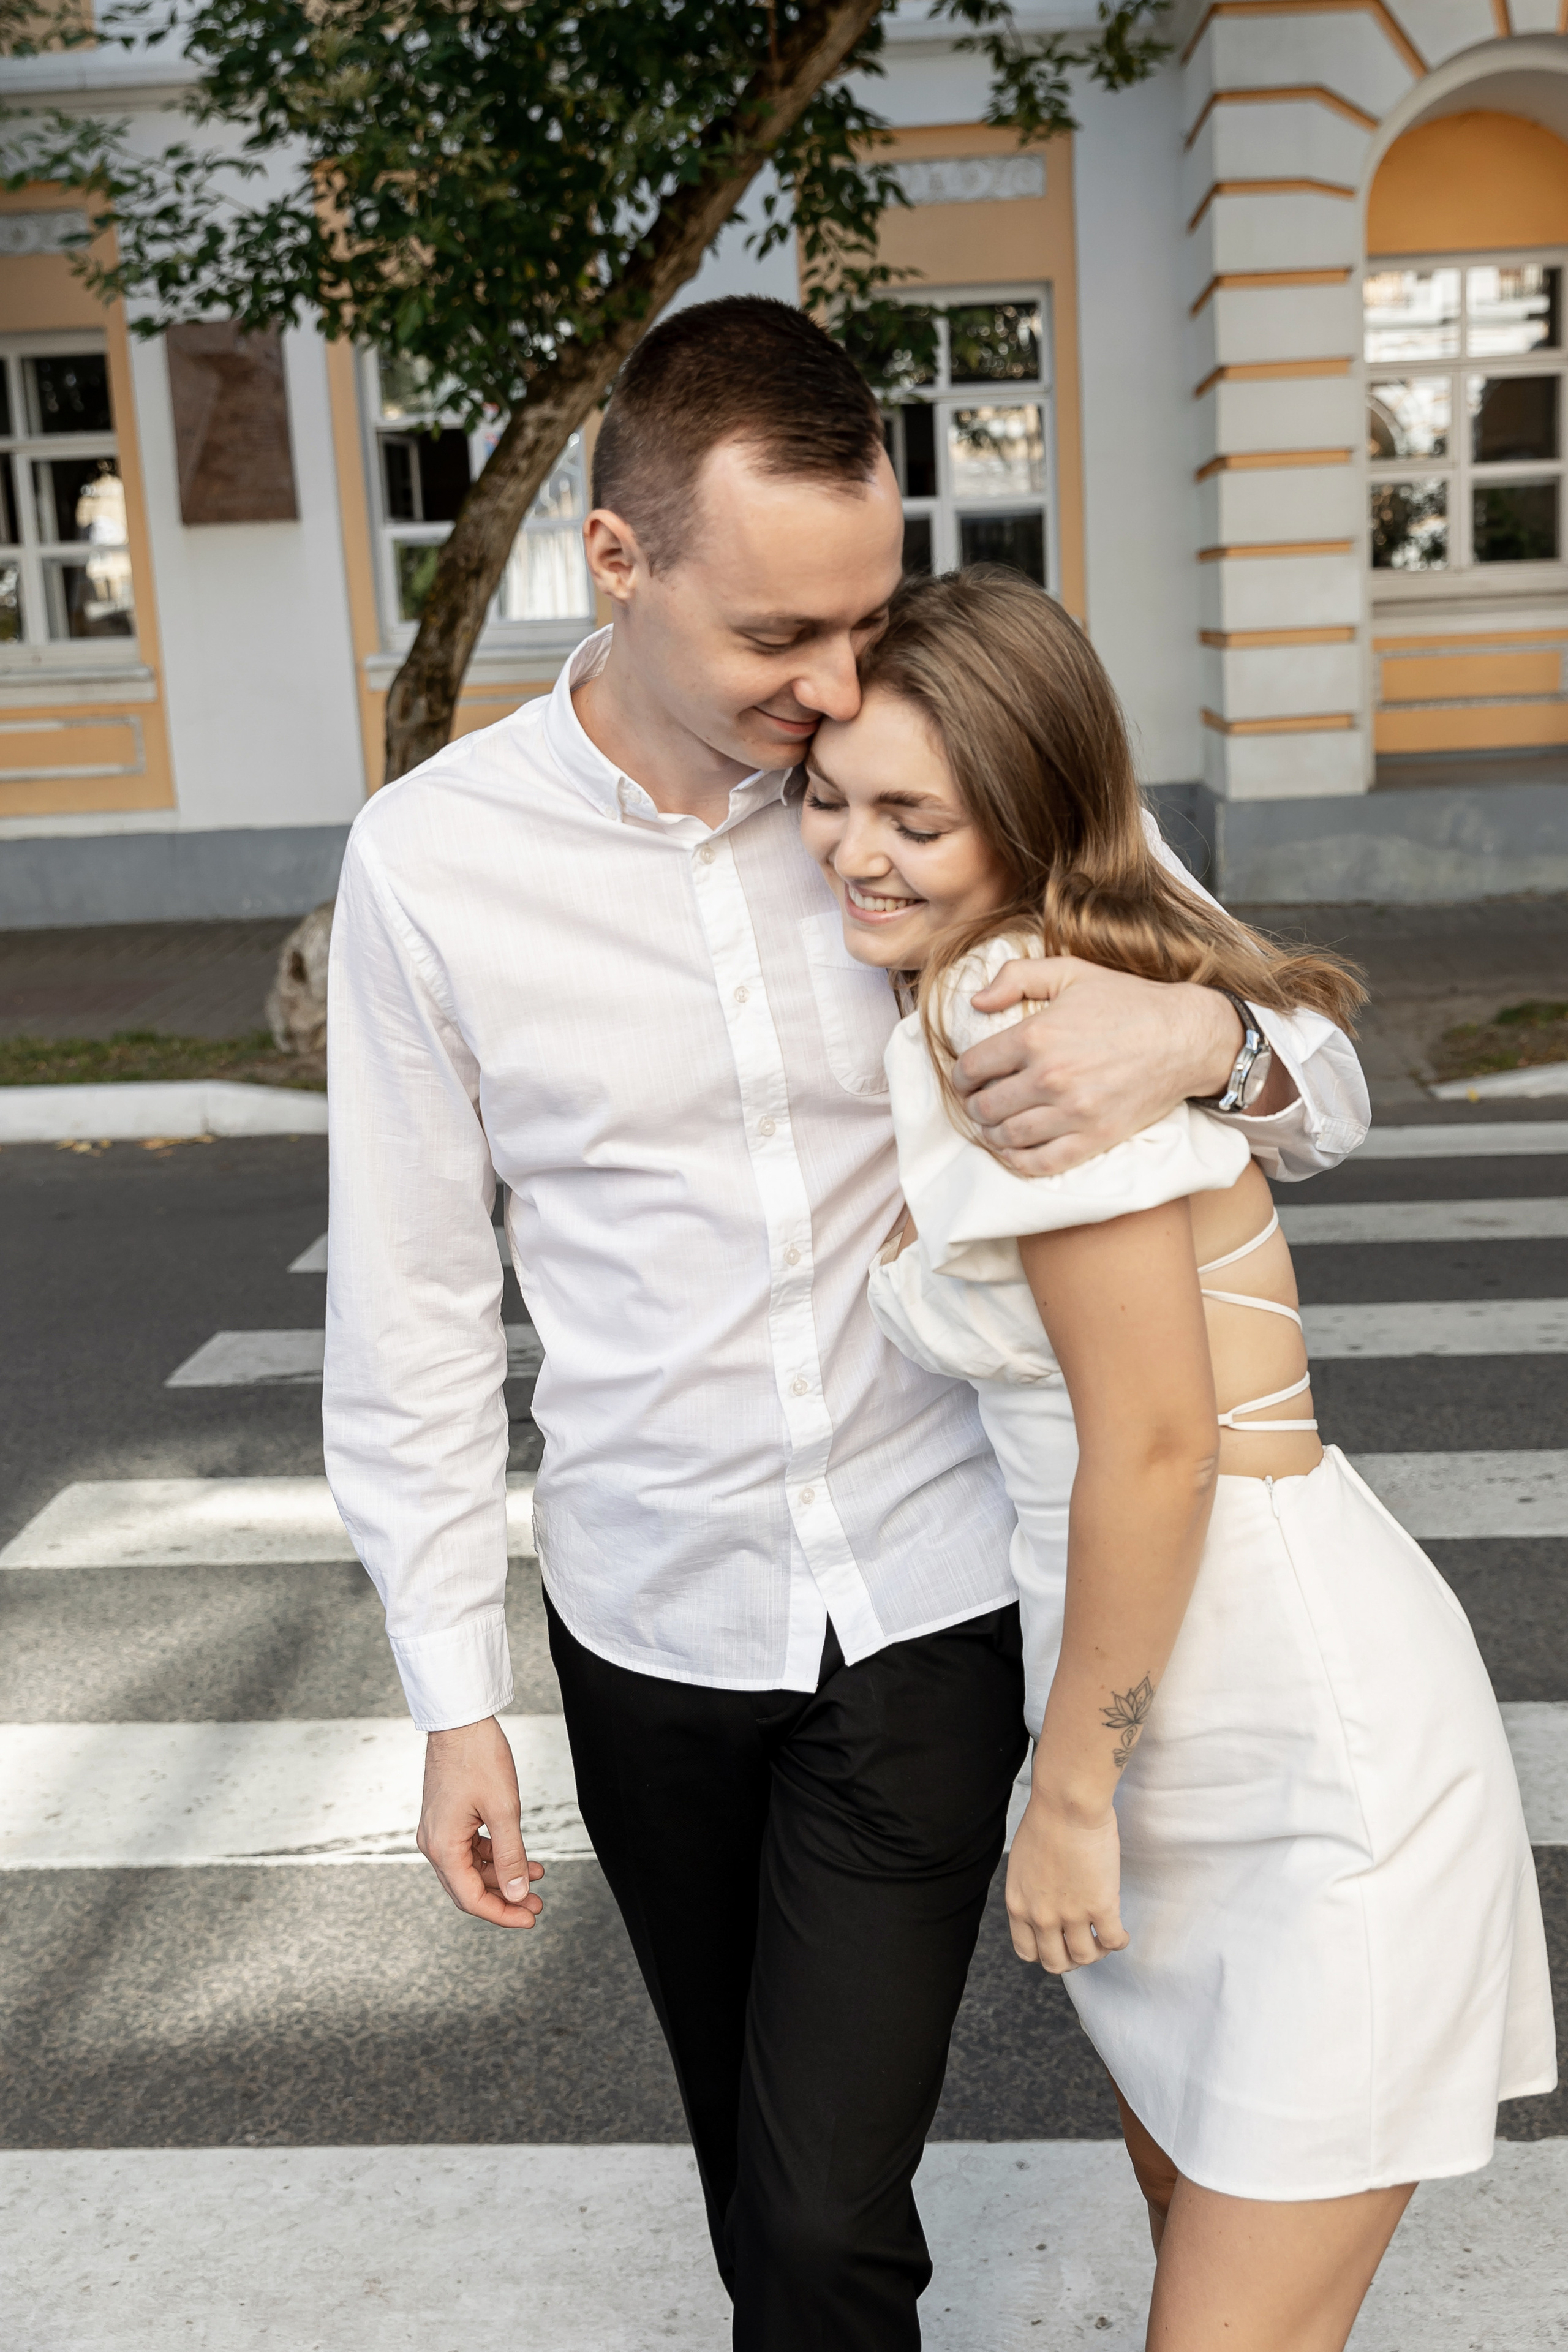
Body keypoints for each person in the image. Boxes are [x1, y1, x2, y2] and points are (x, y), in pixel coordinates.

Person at [322, 296, 1370, 2349]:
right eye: (775, 640)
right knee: (762, 2201)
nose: (831, 689)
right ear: (617, 565)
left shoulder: (930, 764)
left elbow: (1320, 1094)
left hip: (927, 1593)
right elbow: (416, 1315)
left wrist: (1191, 1026)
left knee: (817, 2218)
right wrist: (451, 1686)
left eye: (858, 620)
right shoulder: (431, 869)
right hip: (651, 1621)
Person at [799, 565, 1556, 2352]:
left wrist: (1063, 1801)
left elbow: (1154, 1452)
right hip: (1168, 1747)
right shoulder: (966, 984)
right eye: (830, 801)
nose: (854, 850)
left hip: (1299, 1762)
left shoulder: (1025, 1024)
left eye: (916, 815)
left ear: (1027, 814)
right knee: (1199, 2256)